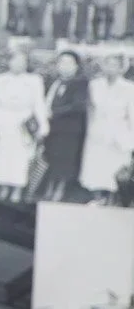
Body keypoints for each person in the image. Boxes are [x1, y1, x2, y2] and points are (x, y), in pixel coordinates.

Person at [0, 47, 49, 201]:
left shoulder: (34, 81)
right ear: (9, 62)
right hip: (4, 123)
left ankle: (17, 190)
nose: (19, 64)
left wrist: (43, 126)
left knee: (21, 158)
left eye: (22, 61)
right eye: (15, 60)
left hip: (24, 124)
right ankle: (4, 188)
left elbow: (39, 104)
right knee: (3, 157)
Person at [81, 51, 134, 202]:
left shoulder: (129, 88)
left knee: (115, 167)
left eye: (114, 65)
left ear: (121, 68)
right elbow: (91, 110)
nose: (110, 68)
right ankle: (97, 197)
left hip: (119, 133)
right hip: (97, 131)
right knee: (96, 166)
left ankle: (112, 199)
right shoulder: (95, 85)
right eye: (107, 64)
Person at [40, 49, 90, 201]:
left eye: (69, 63)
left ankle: (59, 190)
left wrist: (54, 112)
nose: (65, 66)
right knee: (51, 157)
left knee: (66, 161)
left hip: (70, 130)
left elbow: (78, 106)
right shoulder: (54, 82)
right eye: (62, 62)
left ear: (76, 66)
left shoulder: (81, 83)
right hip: (53, 128)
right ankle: (49, 187)